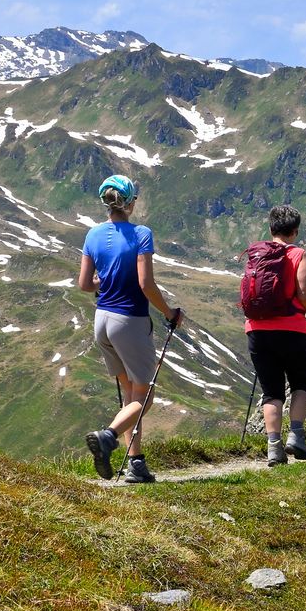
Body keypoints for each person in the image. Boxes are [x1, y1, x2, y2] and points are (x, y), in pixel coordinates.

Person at [79, 175, 181, 484]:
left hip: (103, 321)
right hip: (130, 321)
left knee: (130, 393)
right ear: (130, 202)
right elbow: (145, 284)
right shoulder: (141, 234)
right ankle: (108, 436)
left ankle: (136, 463)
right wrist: (169, 312)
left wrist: (106, 281)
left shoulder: (93, 235)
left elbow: (85, 284)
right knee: (145, 395)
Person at [240, 205, 306, 466]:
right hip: (293, 331)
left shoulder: (257, 255)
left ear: (271, 229)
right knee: (301, 384)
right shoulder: (298, 254)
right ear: (295, 231)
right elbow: (304, 294)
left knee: (272, 392)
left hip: (257, 331)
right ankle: (297, 436)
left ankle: (273, 447)